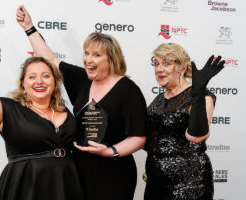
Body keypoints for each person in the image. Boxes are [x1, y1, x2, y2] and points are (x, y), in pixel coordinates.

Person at [16, 5, 147, 200]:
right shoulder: (82, 80)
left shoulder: (128, 90)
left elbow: (139, 137)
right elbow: (50, 59)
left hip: (114, 173)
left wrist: (110, 151)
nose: (88, 60)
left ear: (111, 59)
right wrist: (29, 28)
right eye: (86, 53)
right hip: (78, 169)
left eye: (96, 55)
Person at [0, 16, 84, 200]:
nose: (39, 81)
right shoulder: (8, 110)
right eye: (32, 77)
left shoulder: (67, 113)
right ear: (23, 84)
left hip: (65, 185)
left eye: (46, 76)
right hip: (25, 187)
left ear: (55, 82)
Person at [144, 43, 225, 200]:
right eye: (156, 63)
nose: (159, 69)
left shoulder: (202, 96)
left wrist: (198, 92)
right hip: (155, 180)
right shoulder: (159, 99)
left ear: (181, 68)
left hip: (188, 182)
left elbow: (196, 136)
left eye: (167, 63)